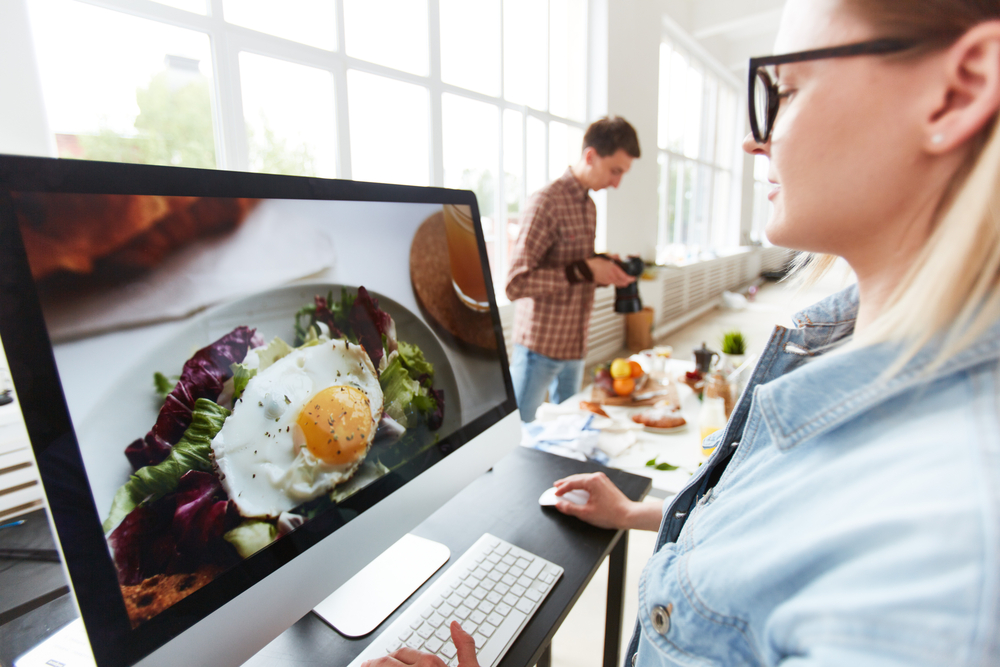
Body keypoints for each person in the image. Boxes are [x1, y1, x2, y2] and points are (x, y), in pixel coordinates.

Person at [363, 0, 1000, 665]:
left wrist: (601, 270)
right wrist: (649, 514)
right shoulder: (829, 341)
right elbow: (522, 280)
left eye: (784, 92)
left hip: (573, 337)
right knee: (516, 458)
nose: (758, 139)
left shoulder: (943, 559)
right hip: (542, 335)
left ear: (958, 92)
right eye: (773, 92)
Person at [505, 116, 640, 422]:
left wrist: (604, 266)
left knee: (569, 430)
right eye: (615, 171)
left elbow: (576, 265)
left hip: (575, 343)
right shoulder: (546, 202)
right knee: (516, 431)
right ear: (590, 156)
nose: (617, 183)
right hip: (540, 348)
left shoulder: (589, 206)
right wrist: (583, 270)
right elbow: (515, 284)